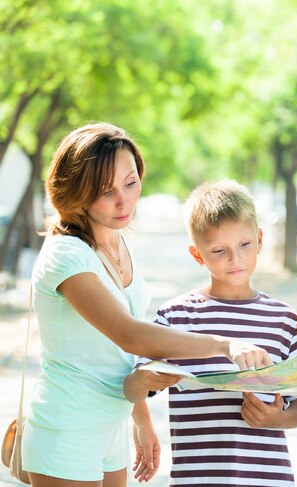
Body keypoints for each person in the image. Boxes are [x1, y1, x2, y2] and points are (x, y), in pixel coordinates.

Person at [22, 123, 272, 487]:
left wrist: (141, 420)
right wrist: (224, 345)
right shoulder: (66, 254)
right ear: (77, 192)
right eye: (106, 192)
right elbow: (129, 335)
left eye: (131, 182)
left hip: (113, 424)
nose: (124, 200)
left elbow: (120, 356)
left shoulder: (119, 240)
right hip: (68, 426)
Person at [125, 179, 297, 486]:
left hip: (268, 479)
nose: (235, 259)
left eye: (244, 245)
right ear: (197, 254)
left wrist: (279, 419)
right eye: (218, 250)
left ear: (260, 239)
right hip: (196, 479)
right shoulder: (175, 317)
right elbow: (133, 390)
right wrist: (144, 378)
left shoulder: (284, 320)